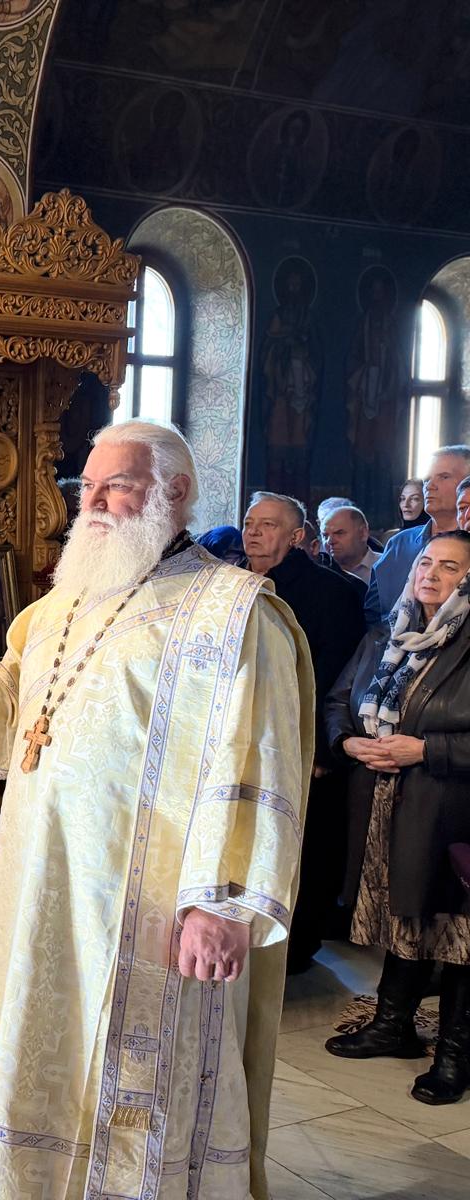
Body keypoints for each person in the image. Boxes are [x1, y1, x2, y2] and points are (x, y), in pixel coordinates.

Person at [0, 420, 313, 1199]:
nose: (91, 504)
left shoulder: (231, 613)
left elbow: (257, 760)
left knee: (139, 1088)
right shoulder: (62, 602)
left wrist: (220, 904)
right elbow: (26, 704)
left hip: (148, 909)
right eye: (86, 487)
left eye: (115, 487)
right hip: (42, 889)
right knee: (39, 1050)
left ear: (175, 492)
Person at [325, 530, 470, 1106]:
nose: (430, 574)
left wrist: (426, 750)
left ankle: (456, 1055)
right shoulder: (389, 631)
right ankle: (393, 1025)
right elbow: (339, 701)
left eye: (450, 567)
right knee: (402, 914)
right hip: (384, 799)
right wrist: (347, 743)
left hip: (450, 808)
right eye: (425, 562)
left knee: (455, 931)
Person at [243, 491, 366, 971]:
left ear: (296, 537)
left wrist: (320, 747)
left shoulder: (332, 592)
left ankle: (296, 947)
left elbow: (336, 678)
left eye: (268, 525)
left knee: (302, 844)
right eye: (250, 522)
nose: (253, 532)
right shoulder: (230, 584)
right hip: (244, 736)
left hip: (301, 741)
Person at [365, 446, 470, 624]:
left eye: (444, 477)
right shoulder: (399, 544)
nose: (429, 486)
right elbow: (373, 613)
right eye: (427, 479)